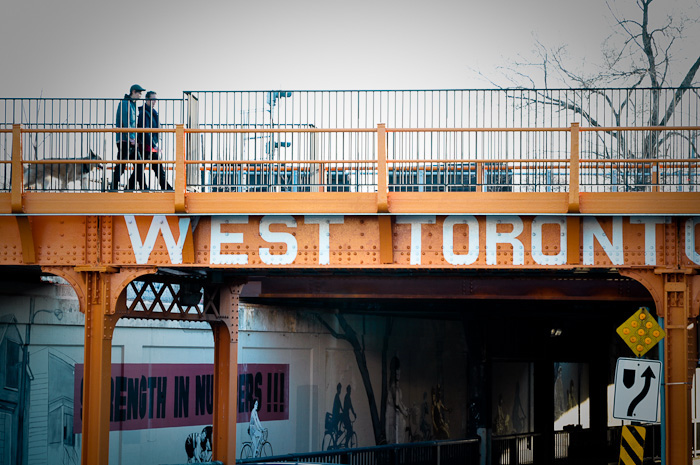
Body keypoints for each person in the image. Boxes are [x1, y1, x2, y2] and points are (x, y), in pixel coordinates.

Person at [111, 84, 147, 190]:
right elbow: (126, 122)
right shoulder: (125, 103)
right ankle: (114, 186)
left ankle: (143, 188)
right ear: (133, 92)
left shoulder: (131, 104)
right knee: (122, 166)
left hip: (129, 140)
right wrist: (131, 138)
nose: (140, 95)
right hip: (125, 140)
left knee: (138, 164)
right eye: (139, 93)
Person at [137, 91, 172, 190]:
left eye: (156, 99)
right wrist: (154, 145)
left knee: (154, 168)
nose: (155, 102)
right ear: (147, 99)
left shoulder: (151, 112)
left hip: (150, 146)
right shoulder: (144, 113)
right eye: (153, 99)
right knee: (141, 170)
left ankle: (165, 187)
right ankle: (165, 188)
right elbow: (146, 131)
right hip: (146, 146)